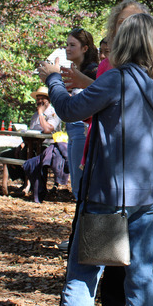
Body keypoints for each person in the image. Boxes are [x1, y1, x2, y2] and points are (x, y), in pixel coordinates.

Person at [38, 12, 153, 306]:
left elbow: (72, 110)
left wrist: (53, 80)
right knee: (141, 271)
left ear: (125, 42)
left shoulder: (117, 79)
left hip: (109, 194)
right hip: (151, 194)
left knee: (84, 271)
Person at [0, 85, 62, 196]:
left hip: (49, 146)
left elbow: (47, 130)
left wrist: (41, 114)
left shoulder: (54, 113)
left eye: (43, 98)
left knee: (32, 155)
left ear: (48, 100)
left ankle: (35, 185)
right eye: (38, 99)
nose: (39, 101)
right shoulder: (34, 116)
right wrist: (22, 143)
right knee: (8, 154)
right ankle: (26, 182)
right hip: (32, 144)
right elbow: (31, 132)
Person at [59, 28, 98, 201]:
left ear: (85, 48)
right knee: (76, 183)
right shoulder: (74, 71)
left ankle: (84, 225)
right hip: (72, 129)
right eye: (66, 45)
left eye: (72, 45)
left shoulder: (93, 72)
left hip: (85, 129)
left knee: (82, 185)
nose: (67, 48)